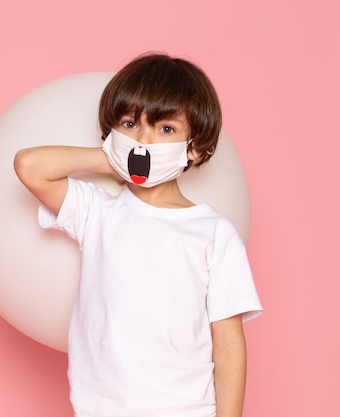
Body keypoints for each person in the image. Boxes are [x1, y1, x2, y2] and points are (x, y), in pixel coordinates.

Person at [13, 53, 263, 417]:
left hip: (188, 410)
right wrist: (112, 158)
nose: (143, 141)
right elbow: (29, 166)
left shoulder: (213, 232)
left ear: (193, 147)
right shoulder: (97, 212)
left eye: (166, 129)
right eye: (130, 124)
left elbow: (227, 343)